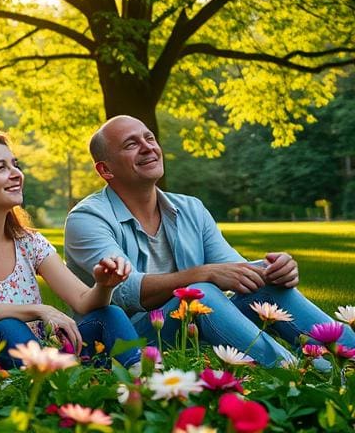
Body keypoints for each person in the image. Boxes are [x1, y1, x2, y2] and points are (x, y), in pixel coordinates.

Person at [64, 115, 355, 366]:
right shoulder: (86, 219)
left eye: (149, 138)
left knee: (264, 284)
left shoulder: (190, 208)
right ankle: (296, 374)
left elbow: (235, 270)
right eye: (131, 144)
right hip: (126, 344)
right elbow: (125, 291)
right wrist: (202, 275)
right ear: (105, 170)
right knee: (197, 293)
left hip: (190, 329)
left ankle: (350, 356)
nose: (148, 147)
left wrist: (273, 269)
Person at [0, 132, 140, 381]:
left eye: (15, 165)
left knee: (109, 315)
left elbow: (83, 301)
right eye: (1, 168)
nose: (16, 174)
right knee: (7, 327)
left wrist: (103, 286)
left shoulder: (29, 242)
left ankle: (145, 384)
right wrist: (40, 310)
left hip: (28, 362)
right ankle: (60, 394)